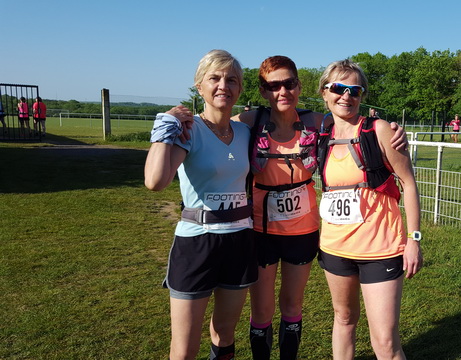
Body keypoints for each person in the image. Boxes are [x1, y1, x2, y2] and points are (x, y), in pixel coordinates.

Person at [232, 55, 408, 360]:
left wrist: (392, 131)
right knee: (261, 310)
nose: (283, 91)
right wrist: (178, 117)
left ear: (300, 87)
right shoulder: (251, 122)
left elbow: (351, 121)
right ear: (263, 90)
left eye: (289, 83)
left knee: (292, 306)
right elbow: (216, 122)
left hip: (303, 229)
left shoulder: (317, 121)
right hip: (261, 228)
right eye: (274, 85)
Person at [144, 49, 257, 360]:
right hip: (197, 243)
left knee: (224, 333)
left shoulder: (246, 130)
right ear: (200, 86)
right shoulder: (189, 129)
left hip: (239, 239)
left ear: (240, 88)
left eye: (232, 80)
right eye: (215, 78)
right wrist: (163, 128)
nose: (224, 85)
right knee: (185, 347)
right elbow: (155, 182)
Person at [316, 59, 423, 360]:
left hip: (381, 249)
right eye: (338, 88)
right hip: (335, 248)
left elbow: (409, 184)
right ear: (324, 93)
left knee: (385, 343)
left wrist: (413, 239)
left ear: (362, 96)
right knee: (344, 320)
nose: (346, 96)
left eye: (355, 90)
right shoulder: (321, 132)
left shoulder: (379, 131)